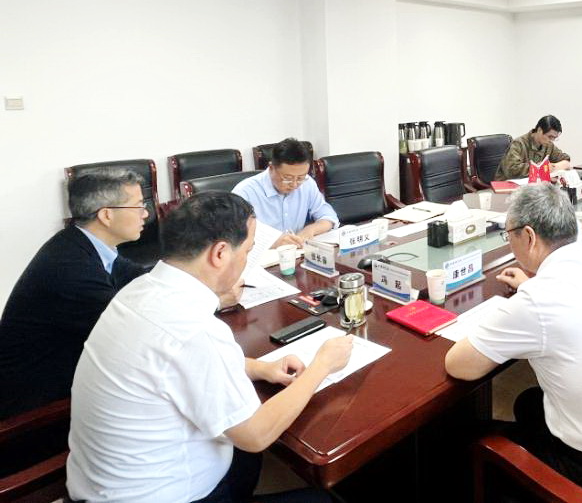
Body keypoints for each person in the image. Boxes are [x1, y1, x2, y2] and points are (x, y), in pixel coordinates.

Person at [66, 192, 352, 503]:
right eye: (248, 251)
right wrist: (322, 366)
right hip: (161, 495)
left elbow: (173, 365)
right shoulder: (194, 329)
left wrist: (260, 368)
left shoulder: (139, 290)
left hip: (103, 483)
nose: (246, 261)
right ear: (220, 253)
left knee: (244, 461)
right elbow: (256, 435)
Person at [445, 183, 582, 503]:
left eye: (509, 235)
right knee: (528, 402)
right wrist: (528, 288)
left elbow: (459, 365)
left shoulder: (539, 299)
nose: (510, 243)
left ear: (529, 236)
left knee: (471, 448)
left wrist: (518, 304)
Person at [0, 169, 150, 419]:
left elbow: (142, 278)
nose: (145, 213)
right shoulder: (69, 266)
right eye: (138, 206)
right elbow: (132, 329)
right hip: (34, 411)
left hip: (67, 379)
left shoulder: (84, 244)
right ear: (106, 215)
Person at [233, 138, 338, 248]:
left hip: (296, 252)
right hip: (264, 254)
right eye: (287, 178)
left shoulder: (307, 183)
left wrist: (311, 229)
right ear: (271, 168)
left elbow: (329, 216)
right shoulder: (245, 192)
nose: (294, 184)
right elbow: (234, 238)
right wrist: (272, 242)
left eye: (300, 178)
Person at [494, 115, 572, 180]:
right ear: (539, 130)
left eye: (554, 138)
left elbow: (565, 160)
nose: (551, 140)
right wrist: (539, 168)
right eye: (550, 137)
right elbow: (511, 170)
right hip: (506, 186)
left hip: (532, 186)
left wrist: (553, 167)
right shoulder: (519, 143)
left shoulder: (548, 145)